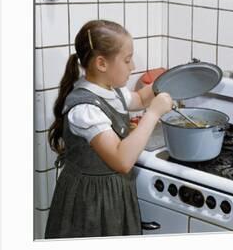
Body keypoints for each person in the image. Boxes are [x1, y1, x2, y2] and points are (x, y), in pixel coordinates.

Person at [44, 19, 173, 238]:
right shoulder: (85, 110)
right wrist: (153, 113)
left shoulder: (112, 90)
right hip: (89, 201)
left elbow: (140, 98)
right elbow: (122, 160)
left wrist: (168, 81)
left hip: (112, 194)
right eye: (127, 60)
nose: (132, 67)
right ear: (101, 64)